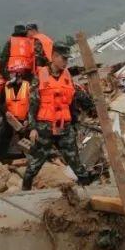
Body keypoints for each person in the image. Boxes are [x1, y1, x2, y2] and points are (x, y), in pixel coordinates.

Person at [22, 43, 96, 190]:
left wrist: (94, 106)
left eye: (67, 59)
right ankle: (24, 191)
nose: (66, 62)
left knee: (74, 160)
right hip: (45, 129)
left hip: (64, 128)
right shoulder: (41, 76)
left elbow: (77, 95)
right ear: (54, 56)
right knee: (35, 164)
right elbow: (32, 105)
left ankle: (88, 190)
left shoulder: (67, 76)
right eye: (63, 58)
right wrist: (33, 128)